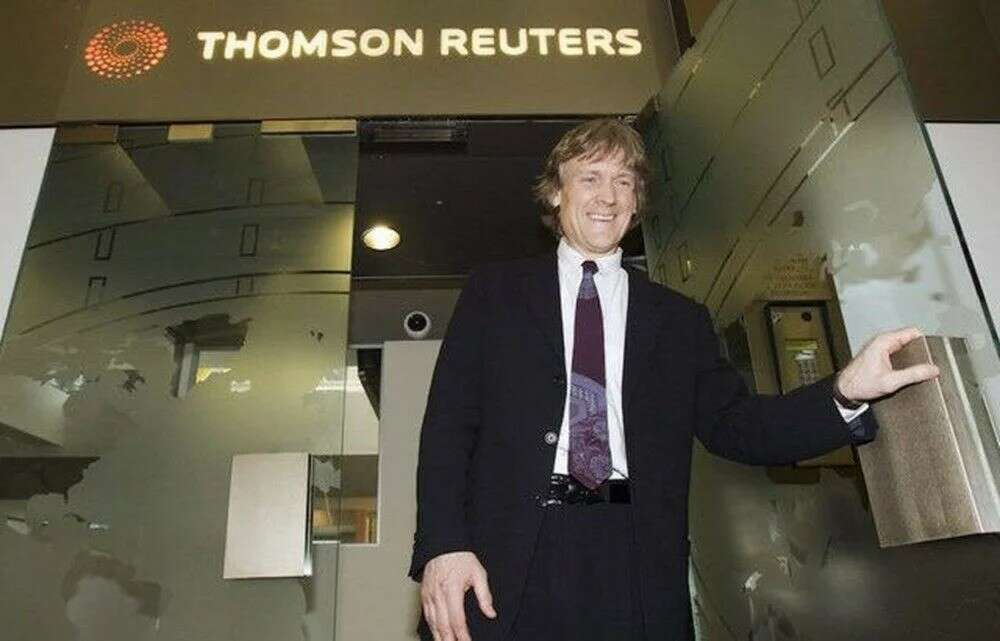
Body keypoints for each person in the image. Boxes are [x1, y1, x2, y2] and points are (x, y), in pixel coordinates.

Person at [408, 118, 938, 641]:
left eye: (624, 182)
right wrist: (442, 545)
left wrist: (843, 392)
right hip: (504, 559)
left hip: (633, 562)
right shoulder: (495, 294)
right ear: (555, 194)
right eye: (590, 178)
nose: (608, 196)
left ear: (637, 202)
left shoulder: (680, 320)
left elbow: (739, 427)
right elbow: (448, 428)